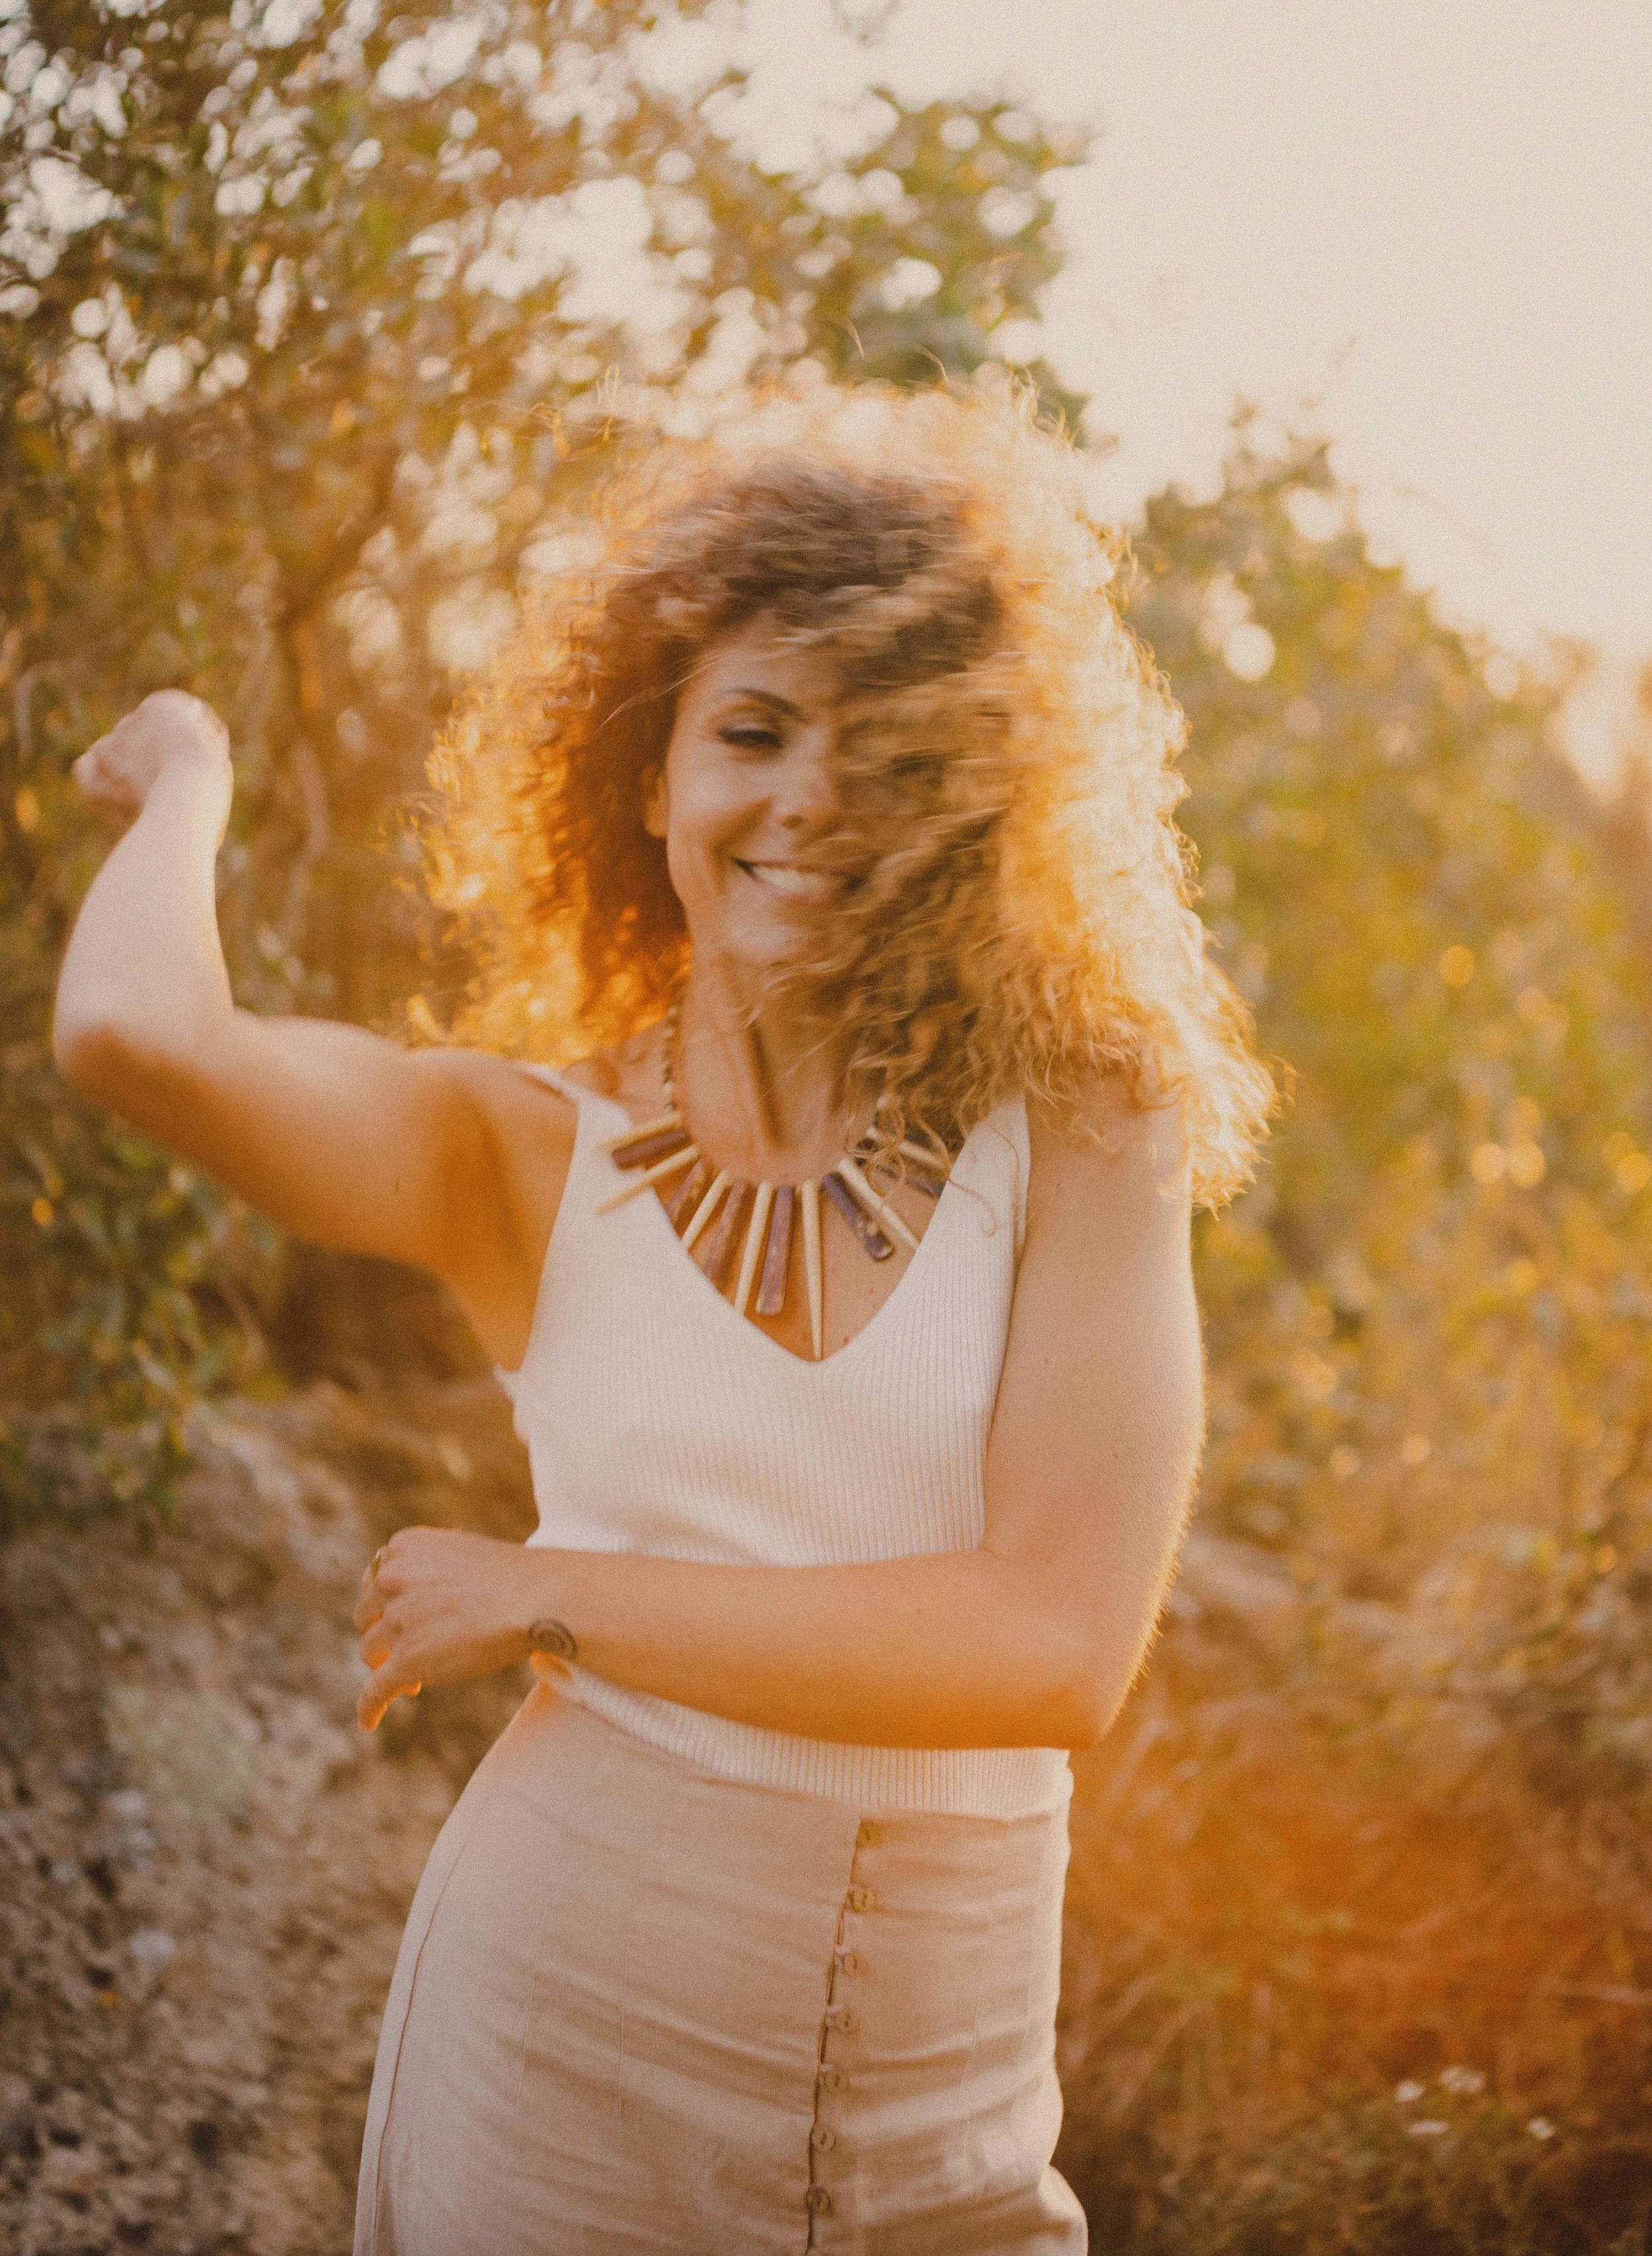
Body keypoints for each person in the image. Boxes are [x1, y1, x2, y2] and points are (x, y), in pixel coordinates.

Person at [54, 387, 1271, 2253]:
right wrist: (197, 775)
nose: (806, 798)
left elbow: (1051, 1640)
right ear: (649, 777)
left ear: (974, 786)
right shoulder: (522, 1151)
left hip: (941, 2109)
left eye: (880, 746)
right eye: (752, 733)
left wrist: (558, 1592)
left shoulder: (1086, 1118)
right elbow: (141, 1036)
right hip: (555, 2060)